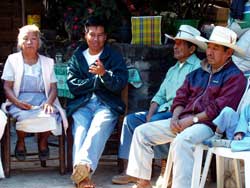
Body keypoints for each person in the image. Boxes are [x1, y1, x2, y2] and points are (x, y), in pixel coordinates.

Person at [125, 25, 247, 188]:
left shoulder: (236, 77)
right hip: (183, 120)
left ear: (228, 52)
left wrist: (191, 120)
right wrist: (175, 117)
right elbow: (180, 97)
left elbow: (217, 109)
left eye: (215, 49)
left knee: (182, 141)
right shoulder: (198, 72)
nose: (209, 52)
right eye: (209, 47)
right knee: (142, 132)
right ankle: (143, 183)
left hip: (209, 126)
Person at [112, 24, 207, 185]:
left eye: (180, 44)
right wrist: (149, 113)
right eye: (175, 43)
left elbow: (194, 100)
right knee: (131, 120)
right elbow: (159, 95)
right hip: (162, 111)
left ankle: (166, 168)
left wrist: (154, 117)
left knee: (156, 121)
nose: (175, 47)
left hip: (180, 114)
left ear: (191, 49)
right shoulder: (173, 69)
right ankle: (132, 171)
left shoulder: (198, 68)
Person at [66, 16, 128, 188]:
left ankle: (82, 171)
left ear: (105, 36)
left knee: (98, 127)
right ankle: (83, 177)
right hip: (82, 104)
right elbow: (73, 86)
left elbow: (119, 83)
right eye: (92, 35)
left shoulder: (113, 57)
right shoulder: (77, 57)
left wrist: (104, 74)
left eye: (100, 35)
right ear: (85, 35)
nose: (96, 39)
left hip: (106, 104)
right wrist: (97, 80)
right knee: (80, 131)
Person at [1, 24, 68, 161]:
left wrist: (49, 102)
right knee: (24, 117)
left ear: (39, 42)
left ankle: (42, 141)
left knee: (49, 116)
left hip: (42, 100)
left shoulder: (48, 62)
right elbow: (7, 87)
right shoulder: (12, 60)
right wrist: (17, 102)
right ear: (20, 43)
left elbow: (53, 88)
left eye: (34, 39)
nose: (30, 42)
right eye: (26, 39)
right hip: (19, 99)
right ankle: (21, 141)